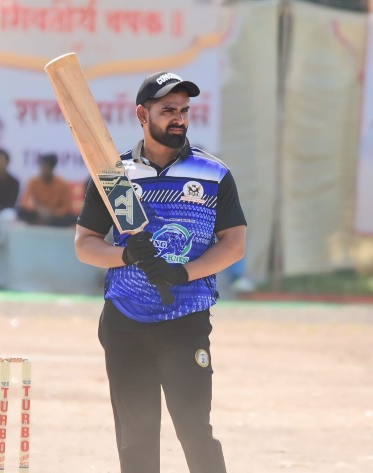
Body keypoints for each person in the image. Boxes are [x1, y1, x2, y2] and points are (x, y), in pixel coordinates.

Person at [75, 71, 247, 473]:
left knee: (195, 430)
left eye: (184, 110)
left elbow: (234, 244)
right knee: (136, 438)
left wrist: (184, 273)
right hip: (125, 321)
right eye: (168, 110)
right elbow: (85, 245)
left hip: (185, 320)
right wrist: (125, 256)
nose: (179, 118)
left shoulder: (212, 173)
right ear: (142, 114)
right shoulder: (116, 176)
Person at [18, 153, 77, 227]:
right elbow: (25, 202)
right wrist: (37, 209)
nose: (44, 170)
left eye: (47, 167)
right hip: (37, 213)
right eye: (42, 167)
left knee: (71, 218)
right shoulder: (33, 182)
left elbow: (67, 207)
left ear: (52, 168)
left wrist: (52, 213)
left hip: (54, 216)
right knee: (21, 211)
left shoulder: (62, 184)